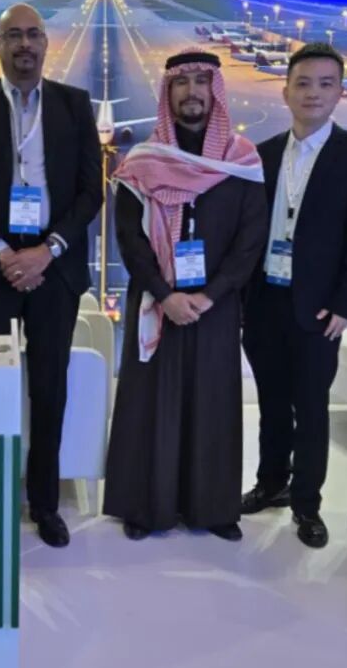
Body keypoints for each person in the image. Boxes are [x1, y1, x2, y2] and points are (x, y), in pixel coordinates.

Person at [0, 4, 102, 548]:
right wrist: (3, 253)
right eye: (14, 35)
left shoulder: (74, 105)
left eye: (34, 34)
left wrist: (46, 251)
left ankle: (45, 503)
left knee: (50, 389)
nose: (25, 44)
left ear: (46, 44)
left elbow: (91, 192)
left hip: (54, 268)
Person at [103, 48, 267, 542]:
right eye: (181, 82)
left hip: (215, 307)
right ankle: (145, 507)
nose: (192, 92)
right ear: (168, 92)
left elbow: (250, 240)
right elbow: (129, 238)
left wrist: (210, 295)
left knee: (212, 403)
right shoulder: (143, 162)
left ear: (214, 90)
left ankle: (212, 508)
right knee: (151, 403)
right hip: (157, 303)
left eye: (201, 81)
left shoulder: (242, 161)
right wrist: (165, 294)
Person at [240, 43, 347, 548]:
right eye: (302, 83)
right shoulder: (263, 154)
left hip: (319, 308)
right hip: (265, 300)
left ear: (340, 92)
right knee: (272, 403)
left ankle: (307, 504)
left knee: (311, 408)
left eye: (325, 84)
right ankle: (270, 483)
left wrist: (346, 305)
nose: (313, 93)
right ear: (286, 92)